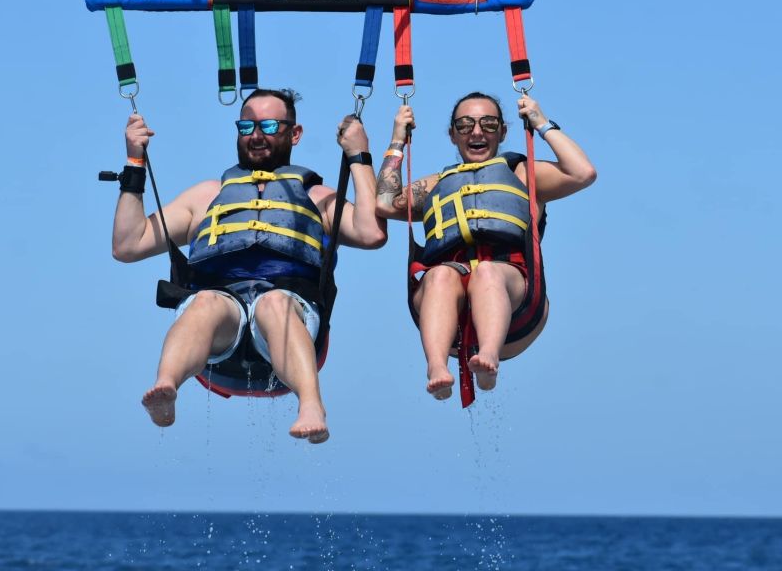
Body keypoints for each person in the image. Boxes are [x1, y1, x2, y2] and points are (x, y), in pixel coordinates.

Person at [111, 88, 387, 443]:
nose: (256, 135)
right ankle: (166, 386)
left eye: (269, 125)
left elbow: (371, 233)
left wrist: (358, 155)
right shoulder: (207, 196)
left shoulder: (317, 198)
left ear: (295, 134)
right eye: (246, 126)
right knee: (204, 302)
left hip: (291, 325)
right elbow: (127, 244)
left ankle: (312, 405)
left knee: (274, 304)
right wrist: (135, 162)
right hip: (218, 340)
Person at [375, 92, 596, 400]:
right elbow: (385, 203)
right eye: (465, 125)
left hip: (517, 306)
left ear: (502, 132)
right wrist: (398, 138)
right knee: (438, 275)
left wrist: (540, 122)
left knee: (487, 273)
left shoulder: (523, 174)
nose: (477, 132)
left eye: (488, 124)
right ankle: (437, 367)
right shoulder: (437, 185)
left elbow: (582, 172)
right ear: (452, 134)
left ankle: (488, 357)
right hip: (449, 305)